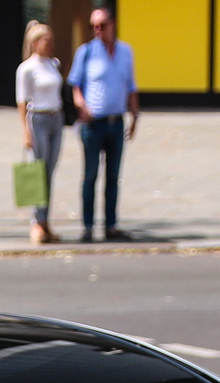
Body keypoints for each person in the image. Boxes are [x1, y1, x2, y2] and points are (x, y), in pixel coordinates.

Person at [68, 6, 137, 242]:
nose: (97, 30)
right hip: (93, 124)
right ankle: (88, 226)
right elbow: (75, 84)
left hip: (115, 122)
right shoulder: (86, 52)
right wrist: (81, 106)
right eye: (93, 26)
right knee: (90, 175)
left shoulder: (126, 52)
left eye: (101, 25)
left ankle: (111, 225)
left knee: (113, 176)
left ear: (112, 24)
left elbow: (131, 85)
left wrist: (135, 115)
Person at [16, 21, 64, 245]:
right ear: (35, 43)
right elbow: (22, 102)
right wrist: (26, 131)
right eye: (47, 41)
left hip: (56, 117)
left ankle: (45, 221)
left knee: (50, 171)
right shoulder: (27, 68)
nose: (51, 44)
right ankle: (36, 222)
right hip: (38, 118)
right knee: (38, 172)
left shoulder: (54, 63)